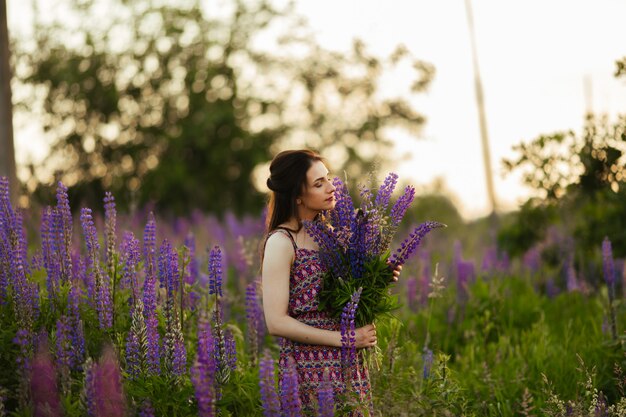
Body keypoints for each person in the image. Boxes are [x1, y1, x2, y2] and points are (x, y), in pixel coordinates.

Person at [261, 149, 401, 415]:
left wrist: (380, 276)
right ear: (297, 196)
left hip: (350, 364)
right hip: (308, 370)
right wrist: (345, 338)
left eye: (328, 178)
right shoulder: (282, 242)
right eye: (318, 183)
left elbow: (349, 294)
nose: (331, 187)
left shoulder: (335, 235)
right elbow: (275, 322)